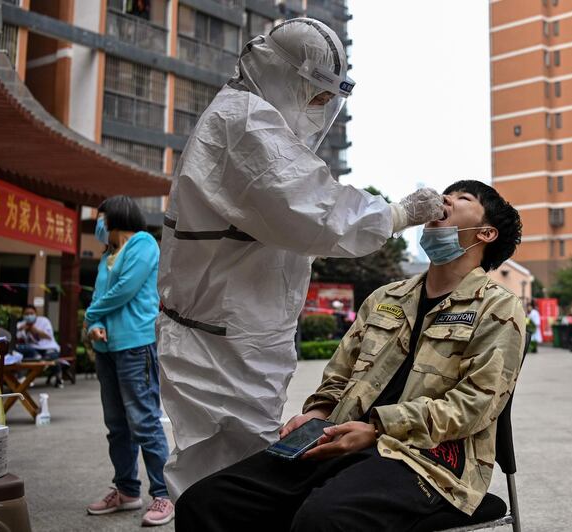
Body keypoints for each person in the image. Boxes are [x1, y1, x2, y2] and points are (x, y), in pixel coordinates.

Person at [157, 18, 444, 499]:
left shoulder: (245, 118)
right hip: (220, 338)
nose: (318, 108)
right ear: (280, 73)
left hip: (232, 331)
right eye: (314, 95)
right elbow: (317, 212)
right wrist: (397, 213)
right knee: (227, 476)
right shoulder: (246, 123)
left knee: (234, 468)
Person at [175, 180, 525, 532]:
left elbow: (474, 405)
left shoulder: (498, 307)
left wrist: (376, 429)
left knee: (322, 521)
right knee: (205, 503)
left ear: (486, 233)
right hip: (339, 437)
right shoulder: (385, 298)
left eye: (463, 198)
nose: (445, 198)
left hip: (427, 459)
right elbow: (339, 376)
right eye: (447, 193)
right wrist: (317, 412)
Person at [84, 196, 173, 527]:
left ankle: (163, 493)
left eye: (101, 217)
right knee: (117, 426)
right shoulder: (105, 257)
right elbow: (98, 298)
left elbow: (124, 290)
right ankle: (126, 490)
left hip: (136, 346)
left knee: (144, 422)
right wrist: (93, 326)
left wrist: (91, 315)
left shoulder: (144, 244)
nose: (98, 224)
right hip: (107, 351)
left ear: (115, 216)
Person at [15, 305, 62, 387]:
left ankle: (58, 378)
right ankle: (22, 377)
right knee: (26, 355)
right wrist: (22, 330)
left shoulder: (44, 321)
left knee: (53, 356)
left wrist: (35, 330)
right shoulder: (21, 324)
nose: (29, 316)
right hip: (33, 349)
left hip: (49, 347)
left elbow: (48, 336)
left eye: (31, 313)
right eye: (26, 314)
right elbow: (17, 338)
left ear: (36, 313)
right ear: (23, 315)